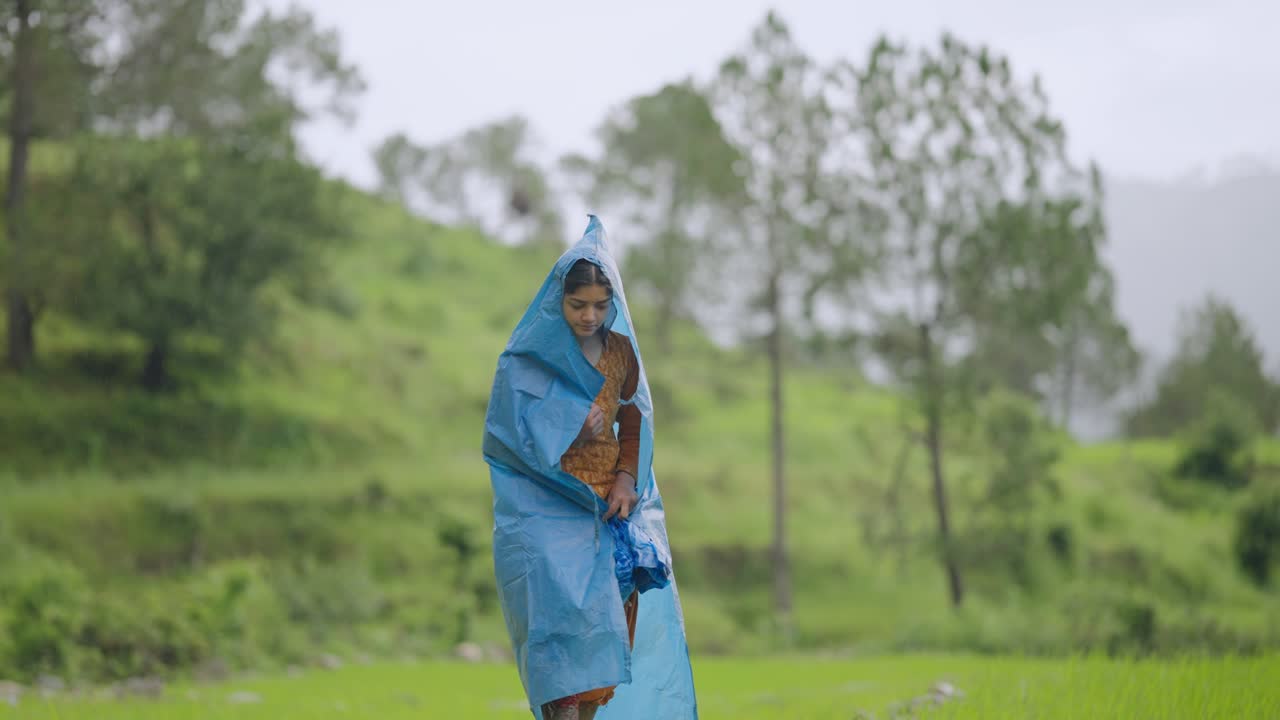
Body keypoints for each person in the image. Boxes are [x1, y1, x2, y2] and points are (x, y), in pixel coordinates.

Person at [482, 217, 698, 719]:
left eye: (601, 305)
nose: (589, 315)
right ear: (557, 300)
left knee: (602, 650)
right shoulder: (528, 360)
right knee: (561, 646)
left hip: (605, 514)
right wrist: (567, 426)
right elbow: (506, 432)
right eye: (578, 304)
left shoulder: (621, 353)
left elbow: (633, 416)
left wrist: (627, 478)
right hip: (547, 512)